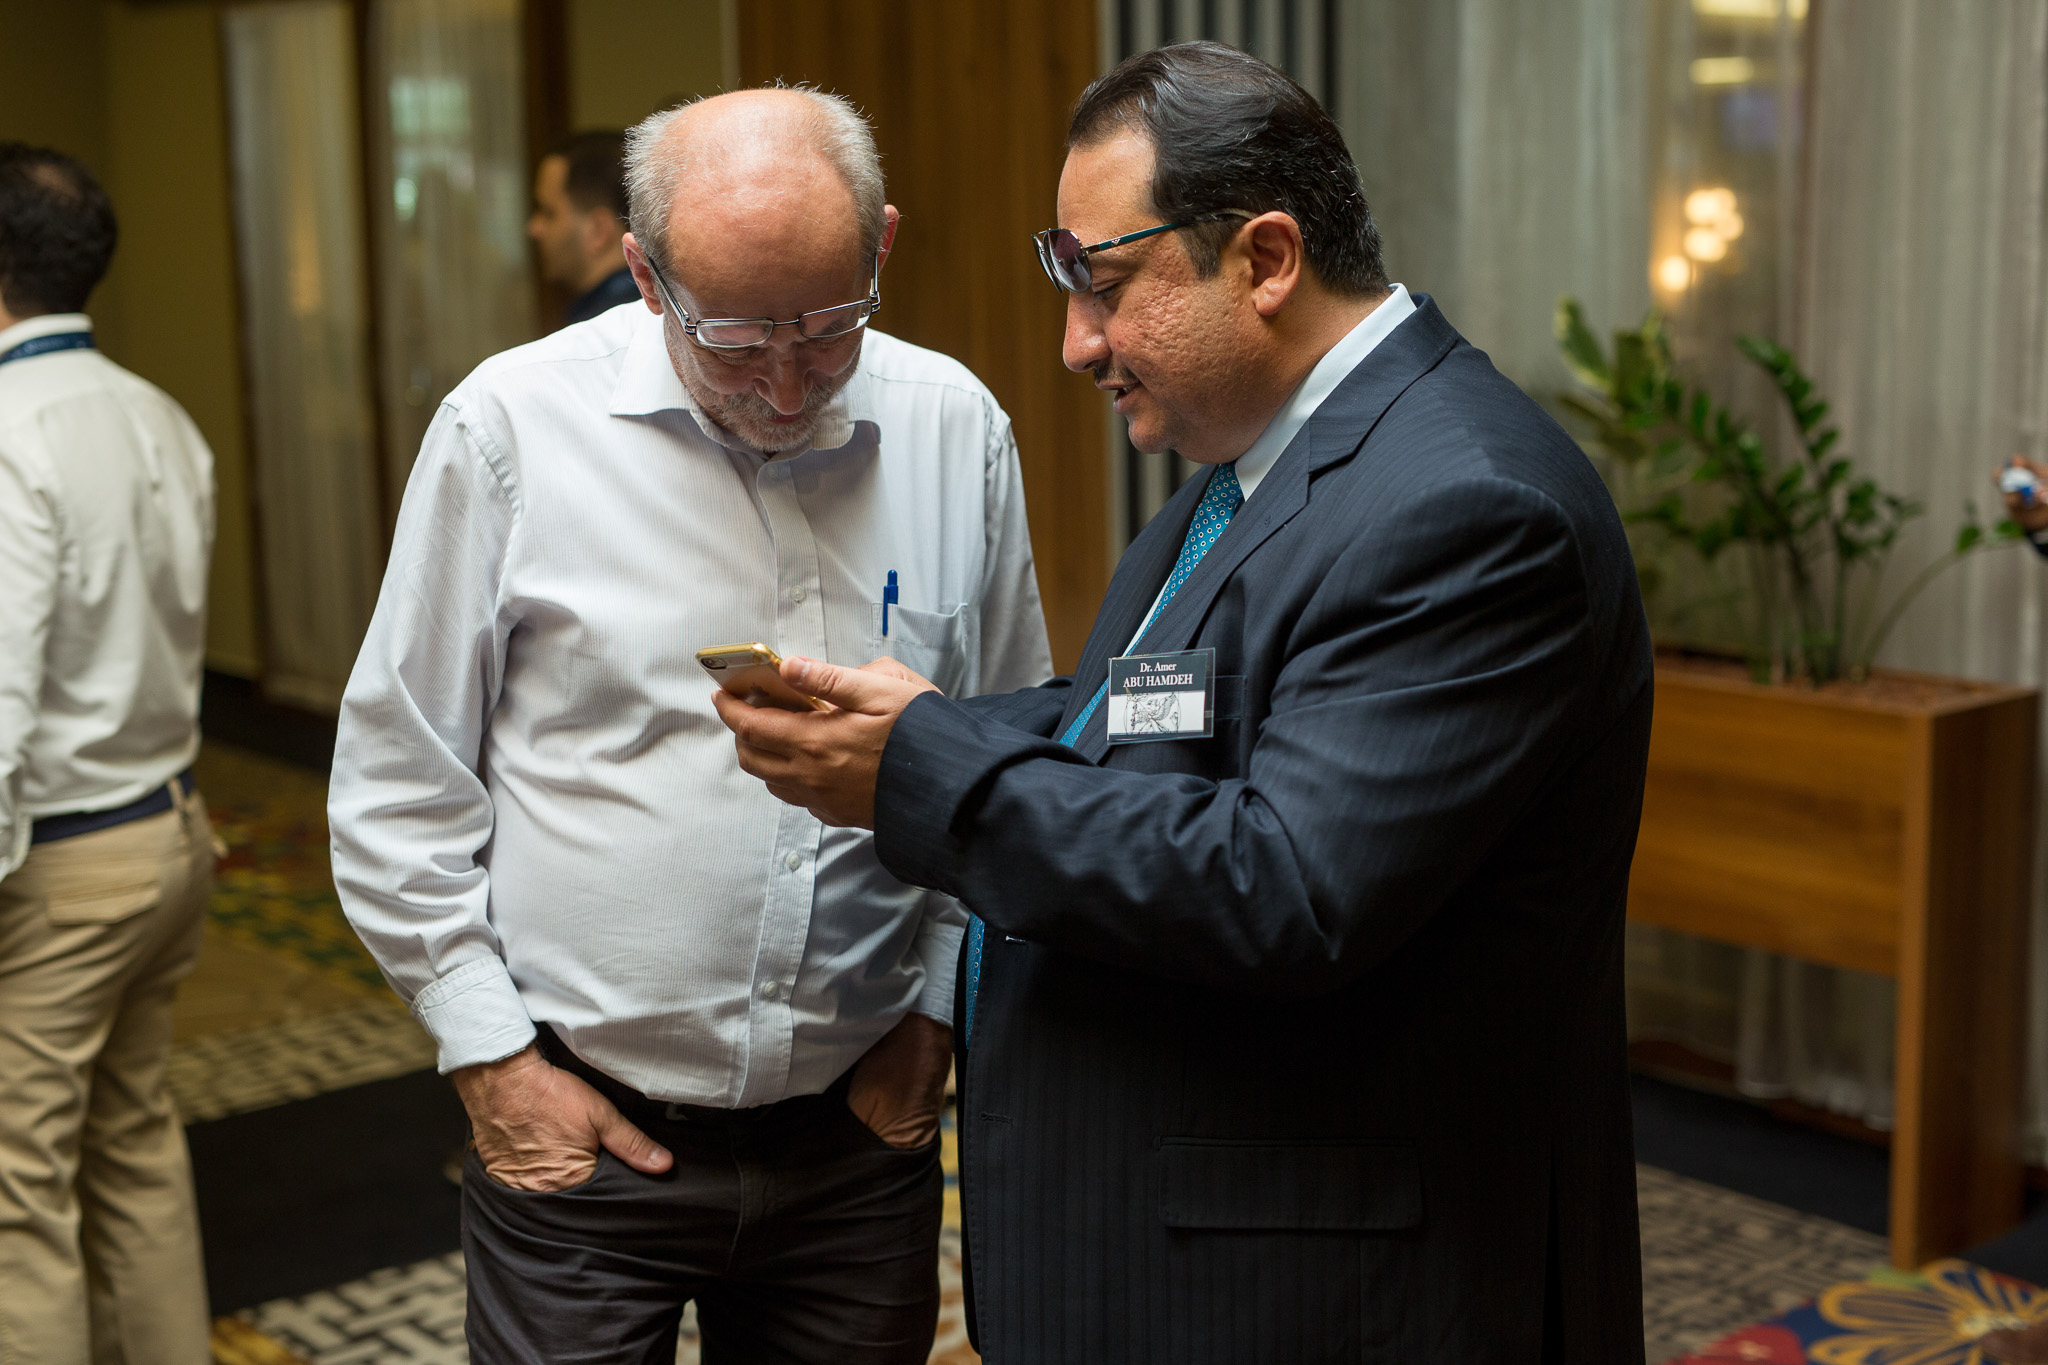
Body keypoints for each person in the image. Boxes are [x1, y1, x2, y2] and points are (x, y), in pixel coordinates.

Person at [715, 43, 1653, 1365]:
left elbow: (1288, 885)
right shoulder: (1257, 468)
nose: (1075, 344)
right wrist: (921, 721)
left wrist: (923, 772)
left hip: (1328, 1292)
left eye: (1102, 288)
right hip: (1200, 1251)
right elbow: (1154, 720)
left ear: (1264, 259)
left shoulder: (1469, 504)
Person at [329, 87, 1051, 1365]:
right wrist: (492, 1064)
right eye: (731, 338)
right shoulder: (510, 430)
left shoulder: (953, 427)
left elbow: (1002, 760)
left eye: (825, 327)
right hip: (579, 1146)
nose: (784, 381)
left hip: (855, 1146)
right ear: (642, 274)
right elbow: (398, 782)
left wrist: (934, 1016)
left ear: (881, 244)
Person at [0, 143, 219, 1364]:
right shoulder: (157, 413)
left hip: (64, 867)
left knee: (16, 1191)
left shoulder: (7, 431)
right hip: (169, 832)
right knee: (133, 1144)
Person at [527, 129, 640, 327]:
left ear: (599, 230)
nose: (533, 228)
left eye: (549, 213)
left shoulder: (605, 330)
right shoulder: (652, 310)